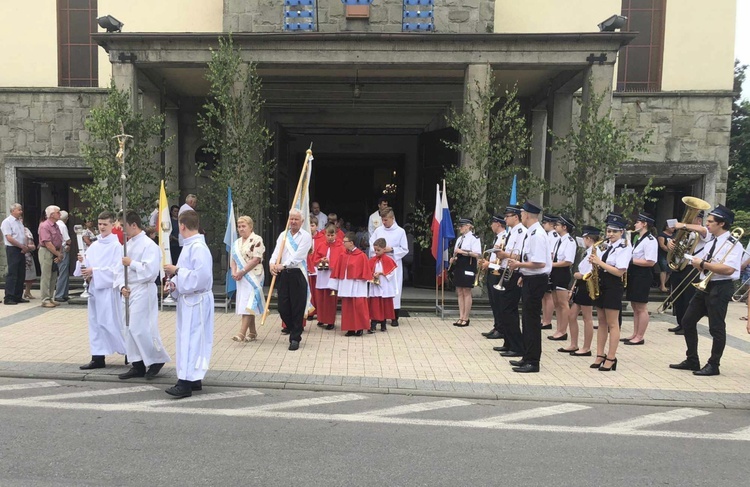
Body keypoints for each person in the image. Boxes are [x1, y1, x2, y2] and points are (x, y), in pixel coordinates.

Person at [669, 204, 743, 376]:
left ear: (721, 224)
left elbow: (729, 269)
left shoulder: (733, 244)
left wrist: (702, 264)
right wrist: (695, 261)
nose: (707, 224)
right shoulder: (711, 242)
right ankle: (692, 359)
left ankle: (714, 364)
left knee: (716, 328)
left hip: (721, 286)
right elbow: (703, 263)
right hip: (705, 285)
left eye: (710, 222)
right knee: (687, 321)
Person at [163, 209, 214, 397]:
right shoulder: (190, 245)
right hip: (189, 299)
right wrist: (174, 284)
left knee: (191, 340)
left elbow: (200, 278)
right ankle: (193, 379)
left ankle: (185, 382)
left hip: (196, 300)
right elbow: (188, 272)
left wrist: (176, 271)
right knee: (190, 339)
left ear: (182, 226)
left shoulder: (198, 247)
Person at [117, 211, 171, 380]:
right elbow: (119, 270)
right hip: (129, 290)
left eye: (123, 227)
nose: (122, 231)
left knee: (139, 327)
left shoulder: (149, 245)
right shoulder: (127, 245)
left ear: (134, 225)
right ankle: (137, 363)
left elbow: (151, 271)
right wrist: (121, 286)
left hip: (143, 288)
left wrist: (131, 263)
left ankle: (156, 359)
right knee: (127, 328)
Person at [75, 211, 127, 370]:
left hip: (108, 292)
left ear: (113, 225)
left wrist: (94, 271)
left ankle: (129, 352)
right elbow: (84, 268)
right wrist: (82, 263)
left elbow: (116, 270)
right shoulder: (94, 245)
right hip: (94, 291)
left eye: (105, 224)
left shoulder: (117, 246)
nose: (102, 227)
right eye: (100, 224)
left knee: (111, 323)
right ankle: (98, 357)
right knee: (95, 324)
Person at [506, 202, 551, 373]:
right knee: (527, 320)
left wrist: (519, 265)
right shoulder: (532, 232)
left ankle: (533, 361)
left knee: (531, 321)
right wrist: (523, 273)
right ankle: (527, 356)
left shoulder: (537, 234)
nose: (521, 216)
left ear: (526, 215)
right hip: (530, 278)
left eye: (522, 213)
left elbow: (539, 262)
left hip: (537, 280)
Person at [588, 214, 632, 372]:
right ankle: (600, 354)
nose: (610, 234)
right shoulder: (605, 245)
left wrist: (599, 263)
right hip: (601, 282)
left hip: (613, 284)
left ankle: (611, 357)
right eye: (608, 231)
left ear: (621, 232)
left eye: (614, 231)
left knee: (612, 323)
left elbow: (619, 272)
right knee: (601, 321)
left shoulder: (625, 246)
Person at [270, 209, 312, 351]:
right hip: (283, 275)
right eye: (291, 219)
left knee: (297, 307)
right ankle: (292, 327)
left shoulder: (306, 237)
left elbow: (298, 257)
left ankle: (295, 338)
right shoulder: (284, 235)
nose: (293, 222)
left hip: (297, 274)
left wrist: (283, 265)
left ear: (302, 221)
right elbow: (277, 252)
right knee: (282, 307)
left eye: (296, 219)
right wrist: (272, 264)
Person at [491, 205, 526, 358]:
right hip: (506, 271)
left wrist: (503, 254)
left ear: (516, 217)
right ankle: (508, 342)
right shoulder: (510, 232)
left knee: (509, 310)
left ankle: (517, 346)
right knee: (503, 309)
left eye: (508, 216)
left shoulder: (521, 232)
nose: (505, 219)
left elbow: (521, 255)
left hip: (514, 271)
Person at [666, 212, 709, 335]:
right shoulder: (684, 233)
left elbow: (702, 229)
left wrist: (683, 225)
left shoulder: (703, 232)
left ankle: (687, 326)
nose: (689, 221)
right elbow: (675, 247)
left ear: (699, 220)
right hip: (679, 267)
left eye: (693, 218)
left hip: (692, 268)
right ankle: (680, 323)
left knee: (688, 298)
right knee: (677, 297)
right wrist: (670, 245)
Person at [623, 212, 658, 346]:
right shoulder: (638, 238)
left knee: (641, 306)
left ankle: (640, 336)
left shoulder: (650, 240)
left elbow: (650, 261)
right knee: (634, 305)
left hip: (643, 275)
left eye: (638, 222)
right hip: (635, 273)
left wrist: (631, 260)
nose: (635, 224)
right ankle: (635, 333)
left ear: (644, 224)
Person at [369, 207, 408, 326]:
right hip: (380, 264)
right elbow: (372, 244)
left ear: (392, 218)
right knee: (381, 289)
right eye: (382, 220)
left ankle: (394, 316)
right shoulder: (378, 231)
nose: (384, 222)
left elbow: (405, 249)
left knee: (394, 289)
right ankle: (381, 316)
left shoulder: (400, 231)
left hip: (393, 264)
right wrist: (378, 251)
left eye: (386, 220)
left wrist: (391, 249)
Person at [566, 225, 601, 357]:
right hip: (580, 284)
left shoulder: (595, 251)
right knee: (572, 315)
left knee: (587, 318)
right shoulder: (587, 251)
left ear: (588, 238)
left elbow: (593, 270)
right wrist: (574, 286)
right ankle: (574, 344)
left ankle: (586, 347)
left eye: (585, 238)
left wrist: (580, 276)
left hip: (588, 284)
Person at [230, 216, 265, 342]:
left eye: (243, 226)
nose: (241, 229)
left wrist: (242, 271)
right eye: (239, 227)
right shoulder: (237, 242)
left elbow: (256, 259)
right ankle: (253, 332)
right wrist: (234, 272)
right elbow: (233, 259)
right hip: (241, 277)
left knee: (248, 303)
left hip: (254, 275)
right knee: (246, 303)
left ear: (250, 227)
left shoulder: (257, 240)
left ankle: (241, 333)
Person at [332, 232, 371, 336]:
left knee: (358, 306)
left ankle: (359, 328)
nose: (343, 243)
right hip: (346, 284)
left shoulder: (361, 255)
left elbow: (365, 271)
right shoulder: (343, 255)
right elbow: (338, 269)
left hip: (357, 285)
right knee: (347, 307)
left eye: (345, 242)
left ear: (351, 243)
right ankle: (350, 328)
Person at [548, 215, 577, 343]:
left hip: (562, 273)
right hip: (554, 272)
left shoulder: (570, 241)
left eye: (558, 225)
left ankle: (563, 331)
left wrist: (551, 264)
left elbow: (568, 261)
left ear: (565, 227)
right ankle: (559, 329)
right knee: (556, 303)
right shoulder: (559, 240)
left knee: (563, 303)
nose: (556, 227)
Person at [449, 218, 481, 327]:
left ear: (468, 226)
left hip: (469, 265)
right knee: (459, 291)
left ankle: (466, 318)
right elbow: (456, 253)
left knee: (466, 291)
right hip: (459, 266)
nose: (460, 228)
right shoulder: (460, 239)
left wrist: (462, 252)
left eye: (462, 226)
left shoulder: (474, 238)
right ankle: (461, 316)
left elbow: (477, 254)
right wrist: (453, 259)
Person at [481, 215, 507, 339]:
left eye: (493, 223)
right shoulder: (497, 238)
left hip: (498, 271)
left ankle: (501, 328)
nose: (491, 226)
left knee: (498, 301)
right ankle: (497, 326)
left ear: (498, 224)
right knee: (493, 301)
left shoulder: (504, 237)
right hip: (492, 270)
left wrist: (489, 264)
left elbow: (501, 259)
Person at [313, 224, 344, 330]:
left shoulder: (340, 246)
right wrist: (320, 260)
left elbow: (341, 261)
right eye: (328, 235)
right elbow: (314, 258)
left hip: (332, 276)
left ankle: (330, 321)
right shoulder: (321, 245)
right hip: (322, 276)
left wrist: (330, 262)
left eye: (332, 235)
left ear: (336, 235)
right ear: (325, 234)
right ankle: (321, 319)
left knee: (331, 299)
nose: (330, 237)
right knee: (321, 298)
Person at [368, 237, 398, 332]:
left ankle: (383, 325)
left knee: (384, 306)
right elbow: (368, 270)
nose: (376, 252)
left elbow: (391, 273)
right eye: (375, 250)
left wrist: (381, 273)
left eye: (378, 250)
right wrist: (373, 275)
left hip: (384, 285)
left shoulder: (388, 260)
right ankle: (373, 325)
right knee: (375, 306)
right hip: (375, 286)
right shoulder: (372, 260)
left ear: (384, 249)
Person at [2, 203, 29, 305]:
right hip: (13, 249)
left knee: (21, 273)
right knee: (12, 273)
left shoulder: (19, 222)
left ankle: (18, 295)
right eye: (19, 210)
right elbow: (9, 237)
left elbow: (22, 235)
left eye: (21, 210)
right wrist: (21, 246)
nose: (21, 212)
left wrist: (25, 246)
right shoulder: (7, 222)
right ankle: (9, 297)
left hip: (21, 248)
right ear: (12, 211)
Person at [38, 205, 63, 308]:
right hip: (46, 252)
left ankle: (51, 297)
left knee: (53, 276)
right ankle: (45, 299)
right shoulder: (45, 226)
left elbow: (60, 240)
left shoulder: (56, 225)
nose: (60, 214)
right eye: (58, 212)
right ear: (52, 214)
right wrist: (58, 254)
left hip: (55, 251)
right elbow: (47, 243)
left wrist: (59, 253)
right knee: (46, 276)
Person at [540, 214, 560, 330]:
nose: (543, 225)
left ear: (551, 224)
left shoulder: (553, 236)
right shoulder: (548, 235)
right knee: (544, 295)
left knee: (549, 296)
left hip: (551, 267)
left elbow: (551, 253)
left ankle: (547, 320)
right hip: (547, 266)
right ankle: (544, 319)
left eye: (545, 223)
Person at [306, 216, 322, 321]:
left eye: (312, 225)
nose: (310, 228)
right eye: (309, 225)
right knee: (310, 291)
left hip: (318, 268)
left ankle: (319, 312)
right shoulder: (305, 238)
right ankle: (310, 312)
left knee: (318, 292)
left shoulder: (322, 238)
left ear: (316, 226)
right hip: (308, 266)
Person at [54, 210, 71, 302]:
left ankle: (64, 293)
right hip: (63, 249)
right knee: (63, 272)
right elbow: (67, 239)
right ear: (67, 219)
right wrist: (69, 244)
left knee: (61, 272)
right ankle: (60, 294)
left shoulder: (55, 224)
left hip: (55, 249)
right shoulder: (62, 226)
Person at [22, 218, 37, 300]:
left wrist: (29, 247)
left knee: (30, 275)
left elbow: (32, 242)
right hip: (19, 253)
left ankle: (27, 291)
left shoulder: (26, 230)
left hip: (28, 254)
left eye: (21, 219)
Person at [657, 223, 674, 292]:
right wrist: (669, 251)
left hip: (670, 256)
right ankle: (663, 285)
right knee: (664, 269)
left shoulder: (673, 236)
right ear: (667, 227)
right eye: (672, 227)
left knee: (669, 271)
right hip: (663, 255)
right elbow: (662, 245)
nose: (673, 228)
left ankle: (662, 285)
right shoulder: (662, 235)